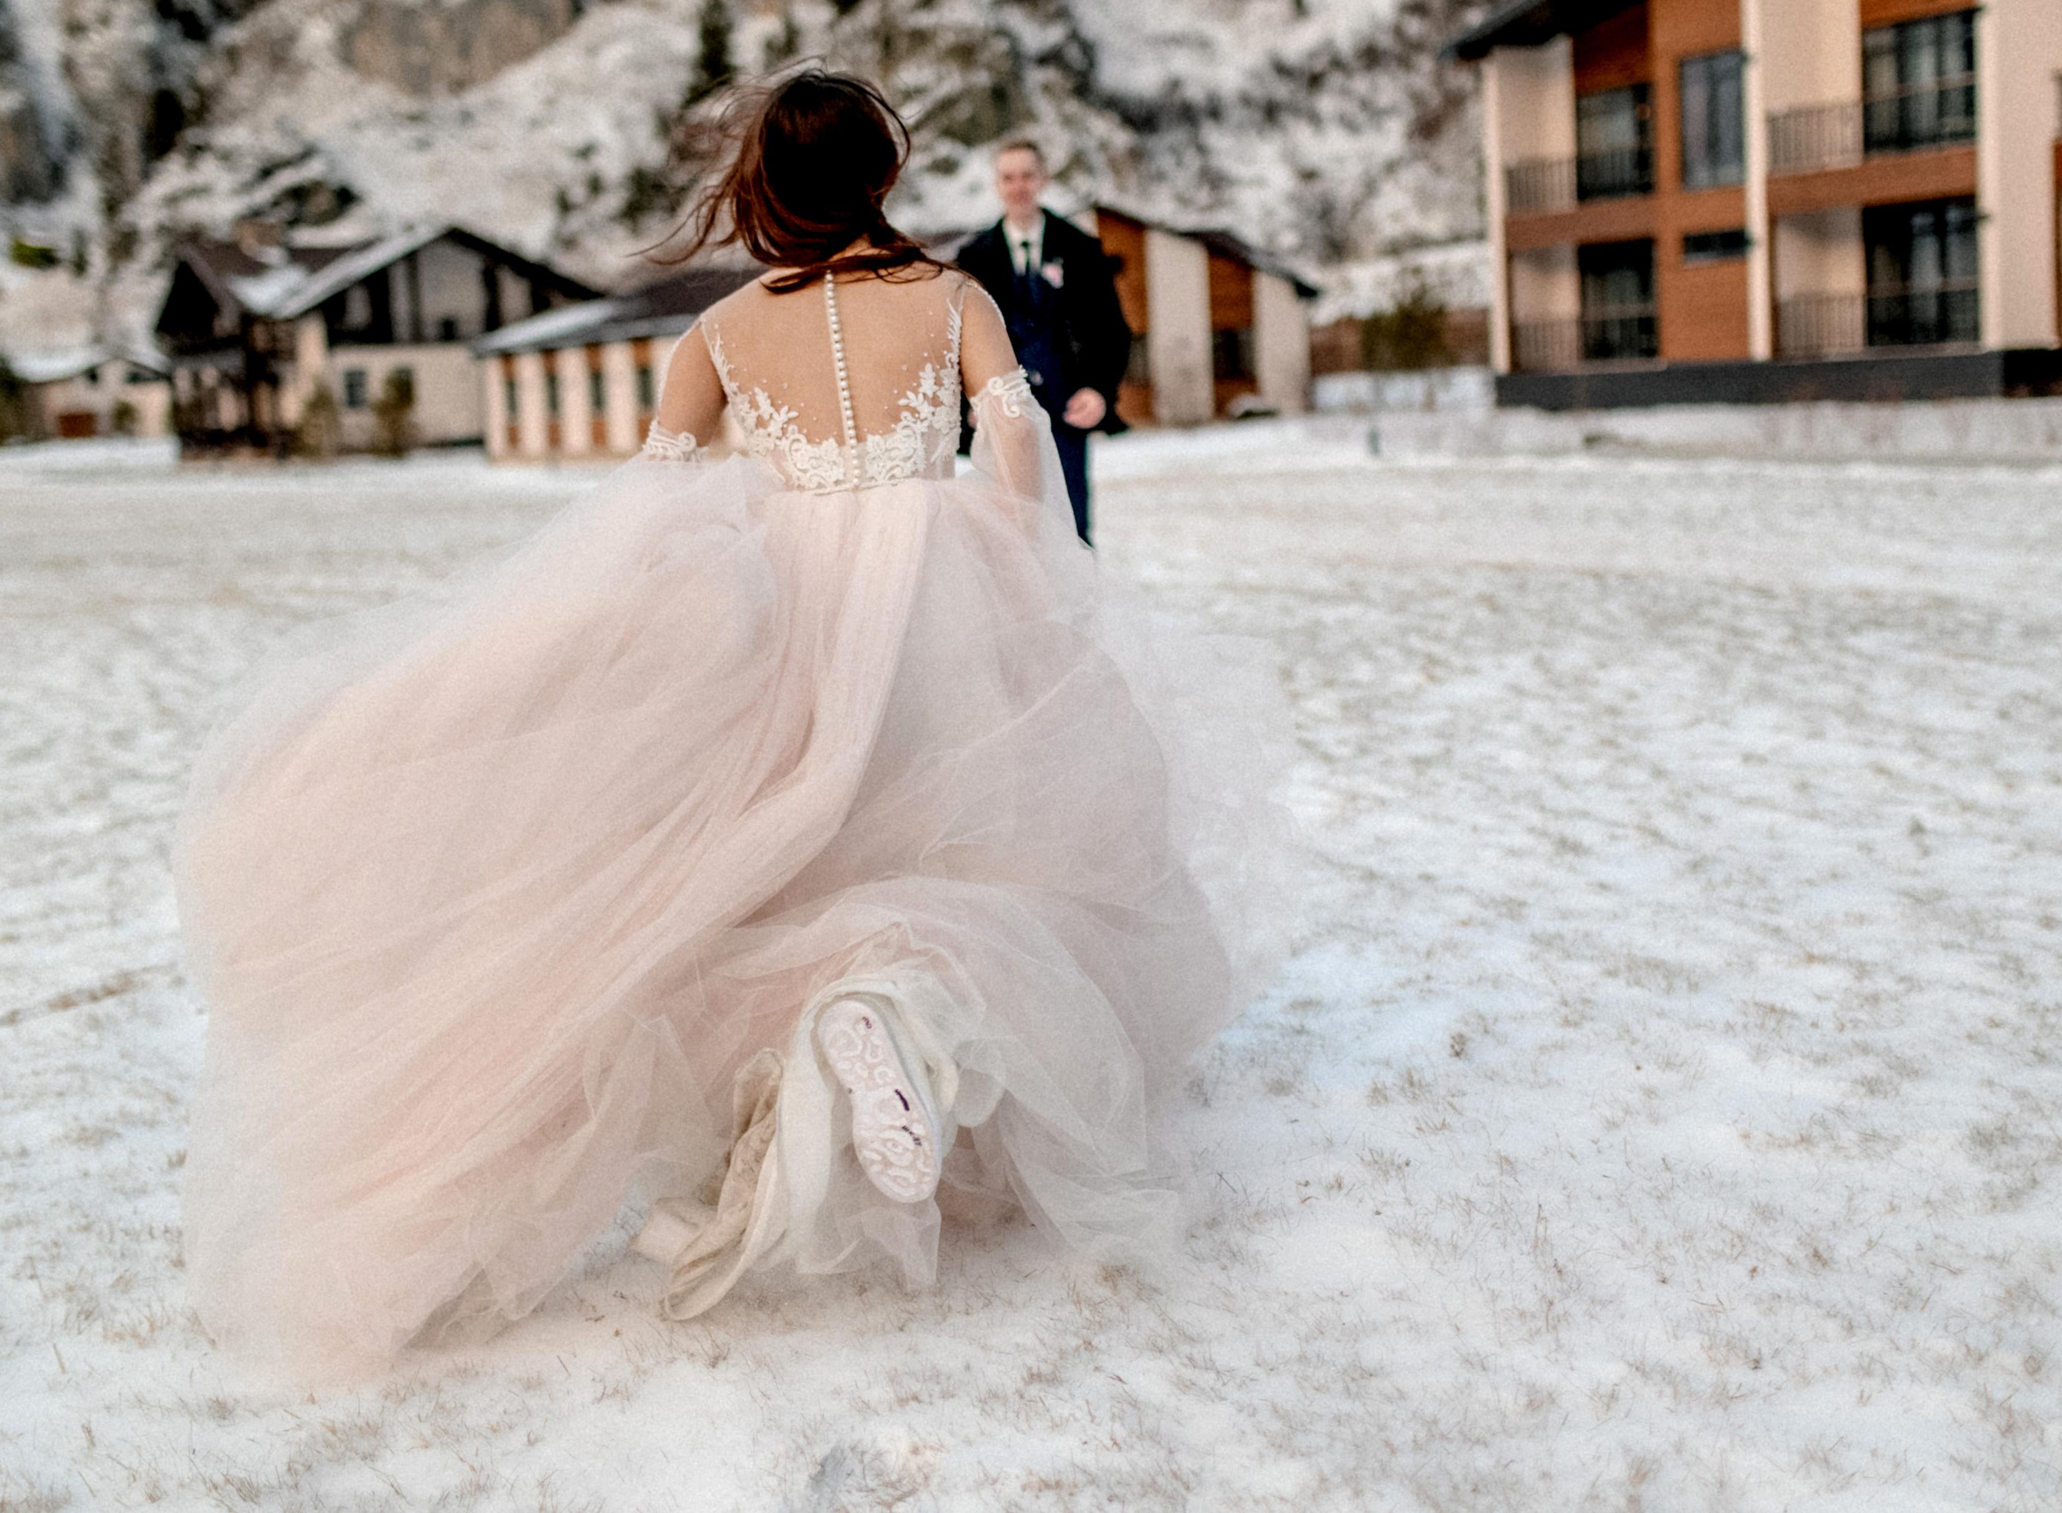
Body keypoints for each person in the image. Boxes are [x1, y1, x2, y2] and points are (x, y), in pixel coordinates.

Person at [173, 68, 1290, 1377]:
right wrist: (1020, 569)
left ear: (765, 185)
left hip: (788, 620)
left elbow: (650, 521)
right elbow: (1018, 451)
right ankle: (898, 1012)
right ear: (883, 168)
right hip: (944, 590)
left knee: (779, 863)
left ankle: (841, 1018)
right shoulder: (951, 296)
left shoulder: (720, 334)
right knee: (976, 843)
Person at [955, 140, 1131, 544]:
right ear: (997, 185)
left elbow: (1112, 331)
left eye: (1027, 176)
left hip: (1067, 411)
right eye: (1008, 177)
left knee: (1071, 526)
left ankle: (1078, 608)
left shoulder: (1080, 248)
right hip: (1002, 415)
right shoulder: (974, 257)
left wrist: (1099, 391)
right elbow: (957, 340)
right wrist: (972, 402)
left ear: (1043, 181)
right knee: (1010, 529)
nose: (1018, 186)